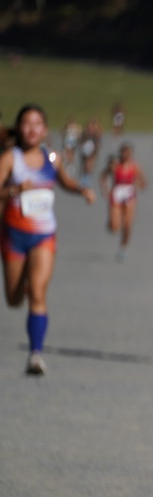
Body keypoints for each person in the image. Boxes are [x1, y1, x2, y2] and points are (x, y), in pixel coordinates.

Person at [0, 104, 96, 374]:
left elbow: (64, 181)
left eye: (37, 124)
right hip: (14, 236)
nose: (32, 129)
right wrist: (14, 190)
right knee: (14, 299)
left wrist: (82, 190)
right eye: (26, 123)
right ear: (19, 128)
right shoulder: (10, 158)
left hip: (43, 236)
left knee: (38, 293)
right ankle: (25, 285)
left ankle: (36, 354)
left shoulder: (51, 158)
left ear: (44, 129)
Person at [100, 142, 147, 262]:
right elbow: (103, 176)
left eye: (128, 152)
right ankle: (111, 224)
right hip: (117, 193)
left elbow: (143, 181)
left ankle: (123, 248)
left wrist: (139, 185)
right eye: (124, 152)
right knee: (115, 227)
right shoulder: (115, 165)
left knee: (127, 224)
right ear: (120, 153)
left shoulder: (135, 166)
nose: (126, 155)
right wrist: (105, 190)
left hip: (129, 195)